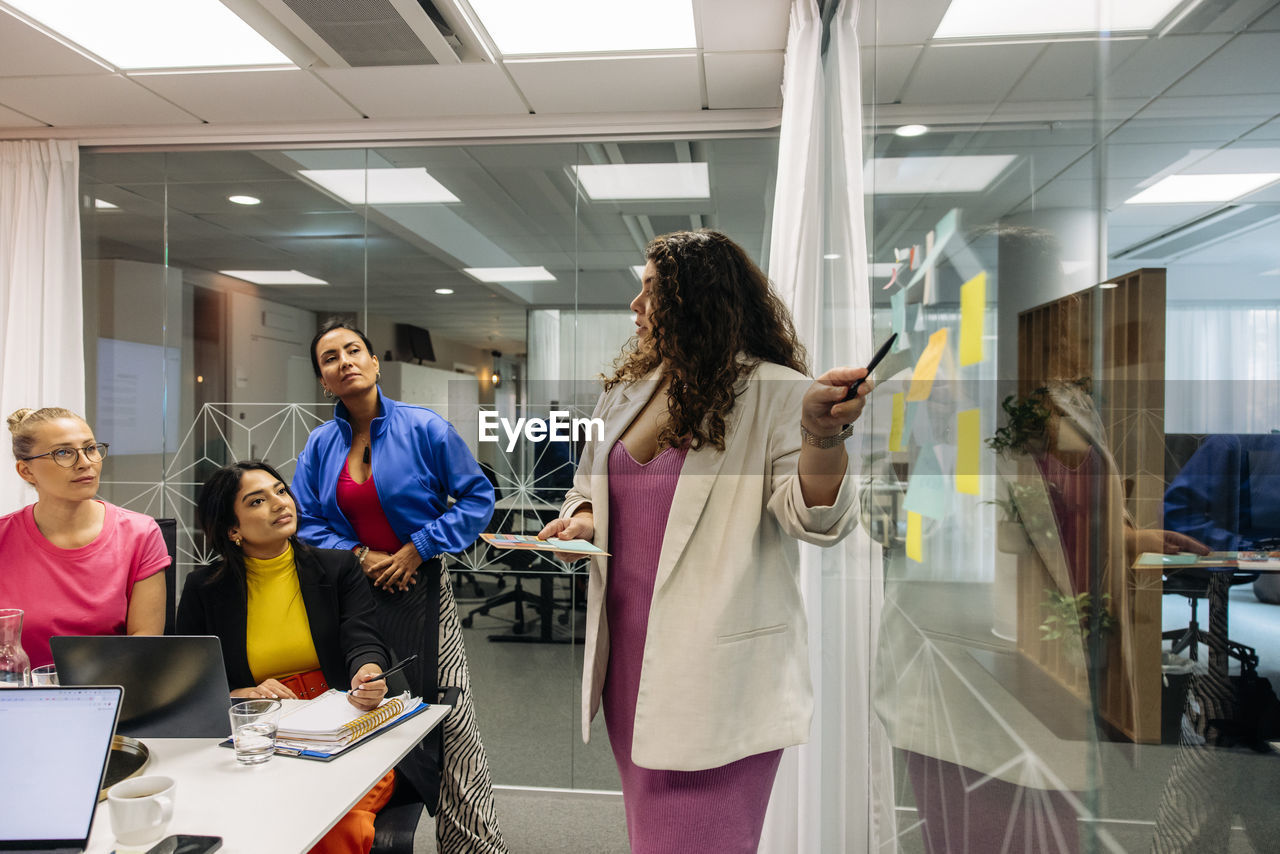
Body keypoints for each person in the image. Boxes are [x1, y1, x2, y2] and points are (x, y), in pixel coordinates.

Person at [536, 229, 866, 853]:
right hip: (630, 667)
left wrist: (823, 437)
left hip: (718, 678)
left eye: (651, 292)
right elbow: (588, 486)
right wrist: (583, 520)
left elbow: (817, 521)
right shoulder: (626, 391)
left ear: (698, 300)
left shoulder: (775, 392)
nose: (635, 306)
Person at [292, 320, 506, 854]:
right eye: (330, 358)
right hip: (354, 594)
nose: (344, 362)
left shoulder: (425, 428)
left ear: (375, 362)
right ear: (323, 380)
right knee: (368, 711)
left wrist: (418, 549)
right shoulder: (321, 444)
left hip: (422, 589)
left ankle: (475, 846)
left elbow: (478, 497)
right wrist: (361, 556)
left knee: (450, 723)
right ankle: (363, 836)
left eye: (353, 350)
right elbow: (304, 519)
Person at [176, 461, 394, 854]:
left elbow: (362, 636)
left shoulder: (337, 567)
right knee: (238, 823)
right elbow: (187, 680)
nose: (279, 504)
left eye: (280, 491)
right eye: (257, 501)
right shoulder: (204, 588)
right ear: (233, 529)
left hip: (342, 721)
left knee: (334, 824)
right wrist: (243, 692)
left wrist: (368, 671)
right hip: (257, 733)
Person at [0, 407, 167, 669]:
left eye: (90, 448)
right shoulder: (4, 537)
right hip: (15, 699)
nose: (85, 462)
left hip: (108, 696)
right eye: (63, 453)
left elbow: (143, 644)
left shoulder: (140, 534)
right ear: (26, 471)